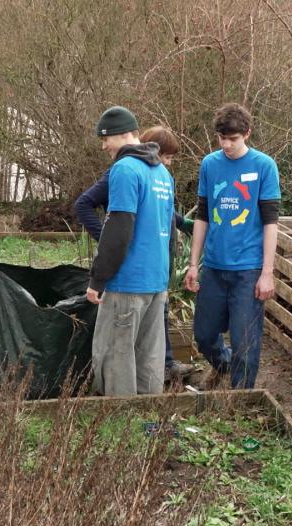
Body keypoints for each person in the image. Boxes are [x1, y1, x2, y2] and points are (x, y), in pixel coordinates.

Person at [73, 125, 196, 382]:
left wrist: (184, 224)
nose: (167, 163)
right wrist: (105, 238)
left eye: (105, 139)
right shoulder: (130, 172)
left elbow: (155, 214)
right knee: (137, 351)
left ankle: (135, 405)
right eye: (167, 157)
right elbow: (91, 209)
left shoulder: (146, 172)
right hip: (139, 273)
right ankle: (145, 407)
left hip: (142, 275)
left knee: (132, 346)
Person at [185, 103, 281, 389]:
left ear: (247, 134)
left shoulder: (264, 166)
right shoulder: (210, 164)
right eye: (221, 138)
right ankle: (224, 366)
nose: (226, 144)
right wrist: (193, 263)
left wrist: (267, 271)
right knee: (203, 334)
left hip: (248, 268)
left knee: (245, 341)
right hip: (214, 265)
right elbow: (203, 215)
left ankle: (240, 398)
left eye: (233, 139)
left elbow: (270, 222)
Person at [85, 106, 175, 396]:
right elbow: (170, 231)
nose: (104, 146)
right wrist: (168, 277)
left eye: (105, 139)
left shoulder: (124, 169)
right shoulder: (161, 172)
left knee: (116, 356)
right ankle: (148, 421)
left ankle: (122, 424)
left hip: (128, 283)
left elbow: (118, 229)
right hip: (156, 282)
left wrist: (98, 279)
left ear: (123, 135)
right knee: (149, 358)